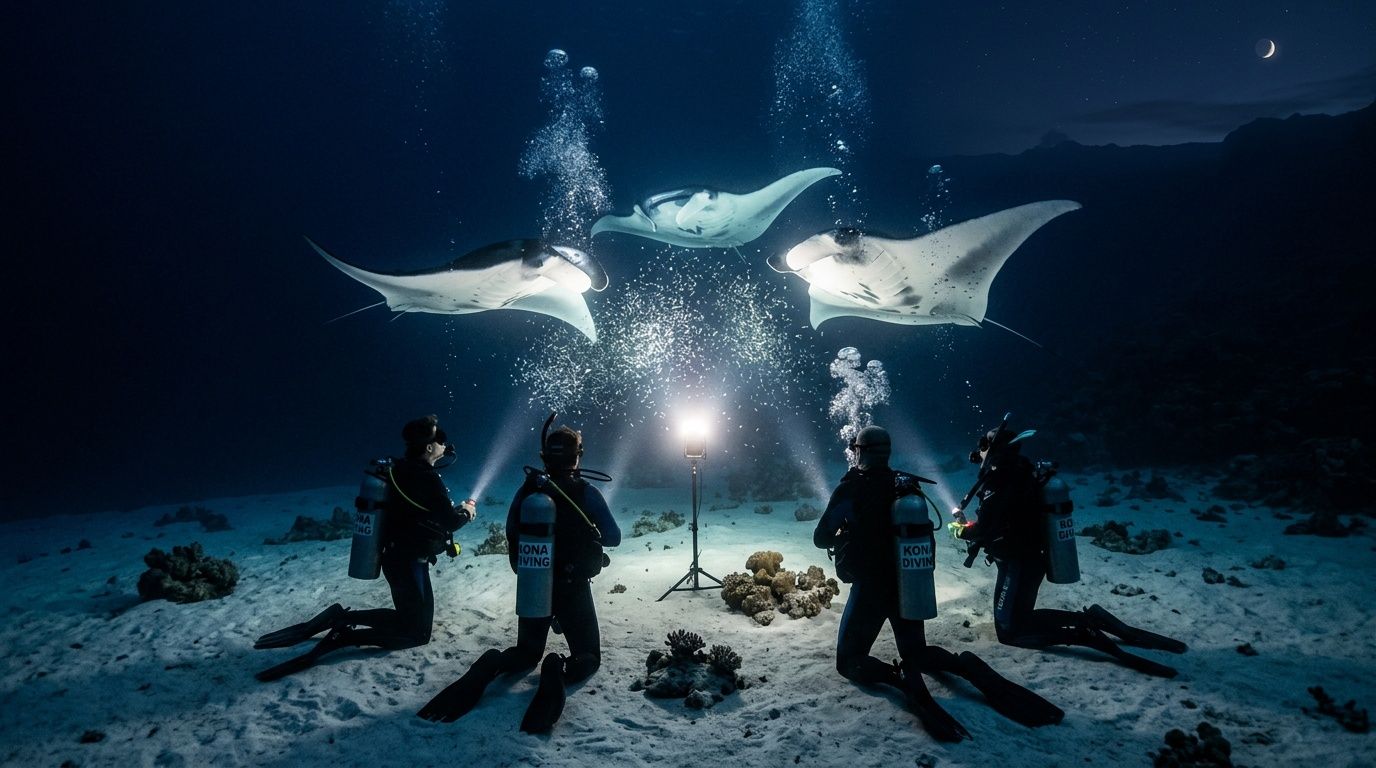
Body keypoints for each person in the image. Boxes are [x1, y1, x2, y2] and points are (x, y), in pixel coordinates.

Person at [814, 425, 1063, 743]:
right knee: (917, 651)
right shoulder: (905, 487)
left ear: (859, 451)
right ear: (887, 453)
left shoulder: (849, 489)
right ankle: (965, 667)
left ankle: (899, 677)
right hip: (908, 583)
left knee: (848, 661)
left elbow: (820, 538)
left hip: (871, 590)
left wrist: (845, 531)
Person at [417, 417, 620, 733]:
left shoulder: (528, 490)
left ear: (544, 457)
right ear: (578, 456)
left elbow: (511, 530)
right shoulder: (586, 492)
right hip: (572, 587)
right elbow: (614, 537)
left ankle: (491, 665)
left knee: (525, 654)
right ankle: (557, 668)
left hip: (533, 584)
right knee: (588, 656)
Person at [952, 419, 1187, 678]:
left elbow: (987, 528)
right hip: (1026, 559)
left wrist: (960, 531)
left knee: (1009, 631)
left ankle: (1082, 634)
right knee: (1019, 618)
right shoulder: (1020, 472)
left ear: (996, 450)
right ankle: (1088, 619)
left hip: (1019, 563)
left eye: (984, 446)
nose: (979, 452)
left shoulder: (999, 482)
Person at [253, 414, 476, 681]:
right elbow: (449, 521)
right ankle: (344, 634)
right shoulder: (427, 478)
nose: (444, 443)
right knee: (417, 633)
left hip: (395, 558)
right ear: (429, 447)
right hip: (408, 562)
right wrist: (466, 512)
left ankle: (340, 618)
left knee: (410, 620)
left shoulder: (398, 470)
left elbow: (416, 513)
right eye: (440, 438)